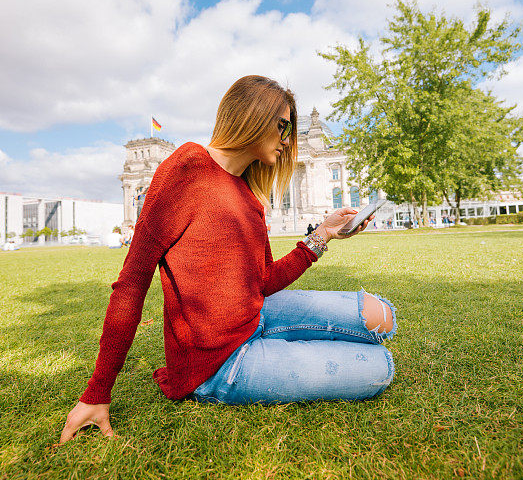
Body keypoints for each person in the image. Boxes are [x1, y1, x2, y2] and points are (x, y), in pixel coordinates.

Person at [60, 75, 397, 442]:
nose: (287, 141)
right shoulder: (186, 168)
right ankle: (270, 359)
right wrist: (97, 392)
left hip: (255, 315)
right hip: (219, 363)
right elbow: (131, 285)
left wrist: (324, 235)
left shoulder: (250, 192)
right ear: (252, 116)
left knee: (381, 317)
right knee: (380, 368)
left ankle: (286, 345)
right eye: (282, 127)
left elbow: (263, 282)